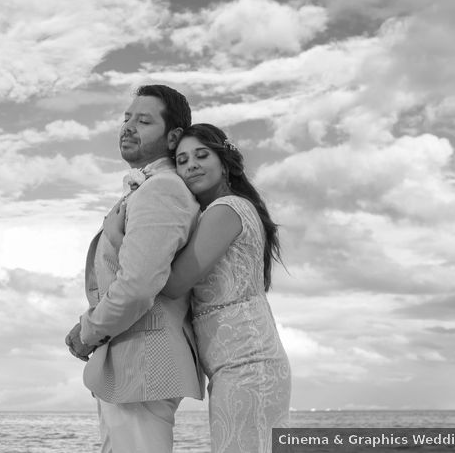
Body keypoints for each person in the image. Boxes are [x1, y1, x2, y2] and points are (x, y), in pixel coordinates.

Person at [65, 84, 204, 453]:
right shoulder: (150, 187)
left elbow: (139, 285)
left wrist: (90, 330)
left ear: (174, 137)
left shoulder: (162, 189)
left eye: (143, 120)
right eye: (126, 118)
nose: (128, 127)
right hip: (133, 363)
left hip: (143, 361)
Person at [161, 123, 291, 453]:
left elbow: (175, 283)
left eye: (201, 155)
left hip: (248, 365)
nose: (190, 165)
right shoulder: (212, 215)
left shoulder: (226, 210)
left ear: (224, 161)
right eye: (181, 159)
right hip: (236, 364)